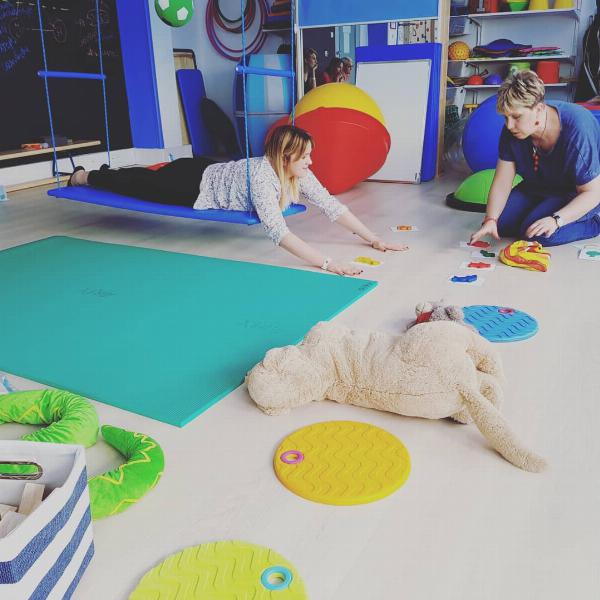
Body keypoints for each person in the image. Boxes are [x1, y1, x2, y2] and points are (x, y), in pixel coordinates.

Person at [68, 125, 407, 275]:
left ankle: (117, 171)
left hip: (210, 169)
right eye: (305, 157)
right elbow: (279, 233)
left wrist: (374, 240)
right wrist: (329, 264)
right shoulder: (262, 177)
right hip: (192, 187)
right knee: (133, 183)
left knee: (144, 175)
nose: (311, 162)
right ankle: (84, 176)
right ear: (284, 157)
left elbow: (332, 205)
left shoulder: (298, 172)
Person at [470, 70, 600, 247]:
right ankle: (538, 212)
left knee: (536, 235)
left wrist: (556, 220)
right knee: (501, 225)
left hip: (578, 192)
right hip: (538, 186)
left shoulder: (577, 128)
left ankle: (594, 221)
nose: (509, 125)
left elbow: (592, 192)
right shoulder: (511, 130)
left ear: (539, 109)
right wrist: (491, 219)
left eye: (516, 117)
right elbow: (502, 180)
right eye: (505, 117)